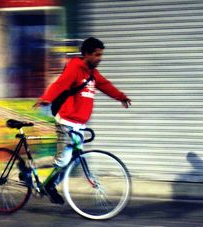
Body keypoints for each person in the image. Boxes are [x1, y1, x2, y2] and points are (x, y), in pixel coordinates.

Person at [34, 37, 131, 204]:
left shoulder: (93, 73)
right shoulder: (75, 68)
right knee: (62, 160)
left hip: (79, 124)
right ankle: (30, 166)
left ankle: (50, 185)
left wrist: (121, 97)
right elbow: (60, 84)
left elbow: (106, 85)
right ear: (86, 54)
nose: (100, 58)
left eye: (101, 55)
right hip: (66, 121)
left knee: (74, 159)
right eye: (97, 54)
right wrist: (46, 98)